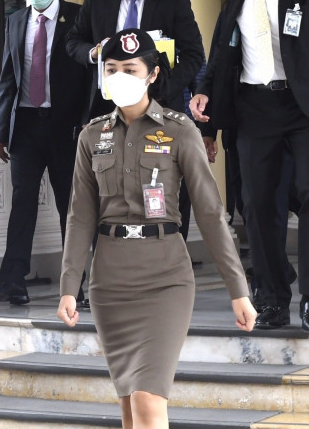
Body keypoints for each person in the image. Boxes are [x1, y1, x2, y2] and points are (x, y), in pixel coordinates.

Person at [57, 28, 256, 428]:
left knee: (148, 401)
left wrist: (238, 290)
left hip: (166, 279)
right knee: (130, 406)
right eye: (111, 69)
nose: (119, 76)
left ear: (152, 74)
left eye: (130, 69)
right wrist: (68, 285)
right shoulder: (92, 136)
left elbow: (210, 212)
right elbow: (80, 216)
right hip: (110, 283)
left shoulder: (179, 130)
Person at [190, 0, 309, 330]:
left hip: (303, 108)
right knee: (257, 205)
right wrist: (206, 99)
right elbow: (221, 51)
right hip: (254, 108)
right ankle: (272, 298)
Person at [0, 0, 88, 305]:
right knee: (22, 204)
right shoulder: (16, 21)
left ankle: (76, 284)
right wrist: (3, 130)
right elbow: (8, 78)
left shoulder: (78, 17)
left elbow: (89, 78)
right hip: (26, 126)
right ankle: (13, 282)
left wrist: (86, 123)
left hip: (66, 127)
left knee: (70, 205)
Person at [66, 0, 205, 123]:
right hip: (106, 104)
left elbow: (194, 53)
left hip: (158, 103)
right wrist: (94, 53)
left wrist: (163, 87)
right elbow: (73, 40)